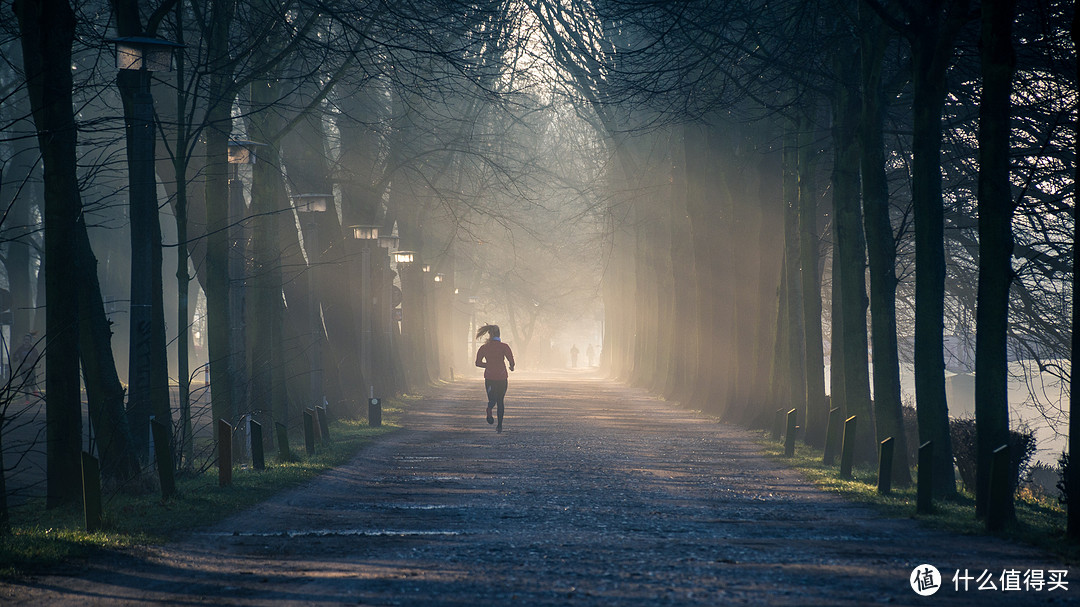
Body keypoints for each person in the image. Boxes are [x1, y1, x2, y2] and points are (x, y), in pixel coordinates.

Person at [475, 324, 514, 433]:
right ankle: (499, 426)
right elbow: (511, 360)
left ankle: (489, 408)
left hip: (489, 377)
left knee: (492, 399)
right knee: (500, 401)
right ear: (499, 334)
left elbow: (477, 363)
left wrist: (488, 365)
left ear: (489, 334)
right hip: (502, 376)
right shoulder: (504, 346)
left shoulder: (484, 348)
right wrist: (512, 366)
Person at [11, 332, 40, 398]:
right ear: (24, 341)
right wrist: (16, 357)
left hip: (31, 368)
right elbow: (14, 358)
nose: (26, 341)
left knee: (31, 383)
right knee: (26, 383)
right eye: (25, 340)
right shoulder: (20, 349)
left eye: (28, 340)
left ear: (30, 341)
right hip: (23, 368)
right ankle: (27, 399)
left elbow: (37, 358)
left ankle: (35, 393)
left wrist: (31, 360)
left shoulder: (33, 349)